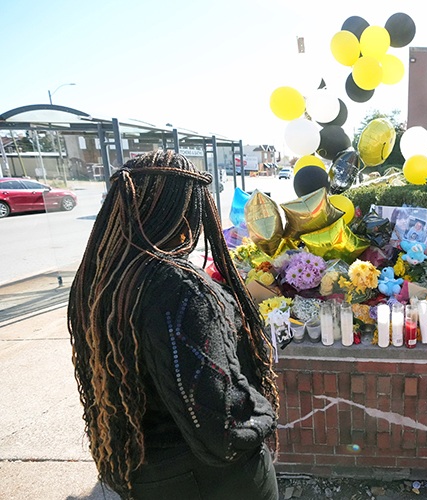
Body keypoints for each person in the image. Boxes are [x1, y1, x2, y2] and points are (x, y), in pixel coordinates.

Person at [68, 150, 280, 500]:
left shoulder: (100, 280)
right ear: (186, 214)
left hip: (140, 472)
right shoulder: (180, 290)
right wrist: (263, 412)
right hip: (211, 482)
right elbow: (224, 428)